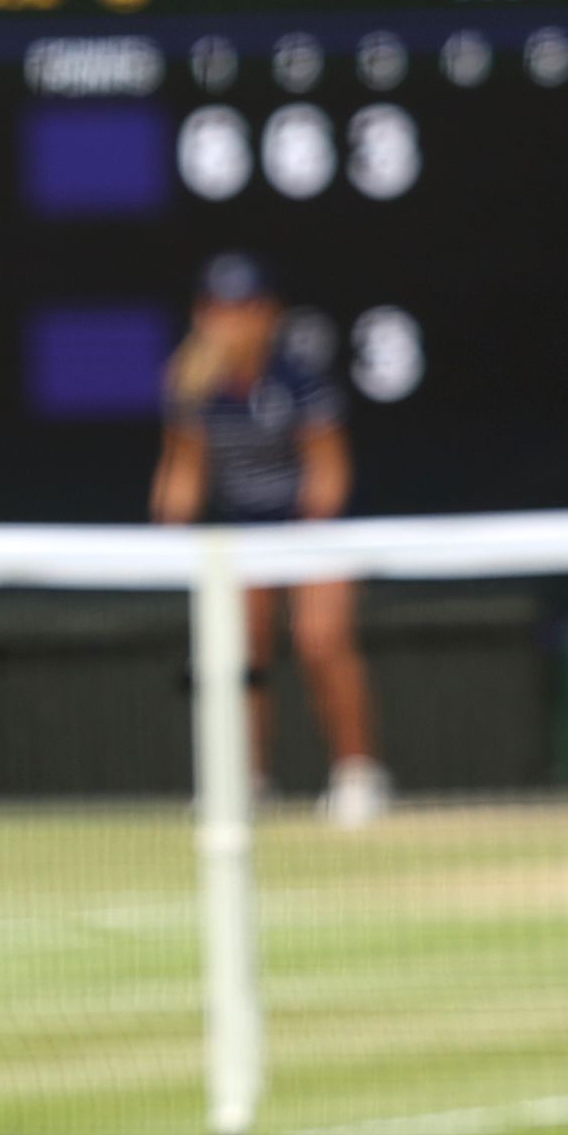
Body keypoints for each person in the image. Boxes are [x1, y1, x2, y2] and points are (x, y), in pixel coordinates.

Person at [151, 253, 384, 826]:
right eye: (220, 308)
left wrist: (303, 543)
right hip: (240, 535)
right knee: (236, 653)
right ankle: (245, 782)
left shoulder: (299, 376)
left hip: (312, 531)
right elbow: (184, 471)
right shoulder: (189, 384)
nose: (233, 320)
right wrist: (169, 520)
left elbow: (330, 471)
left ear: (269, 314)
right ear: (202, 314)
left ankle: (358, 776)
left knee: (319, 639)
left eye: (247, 308)